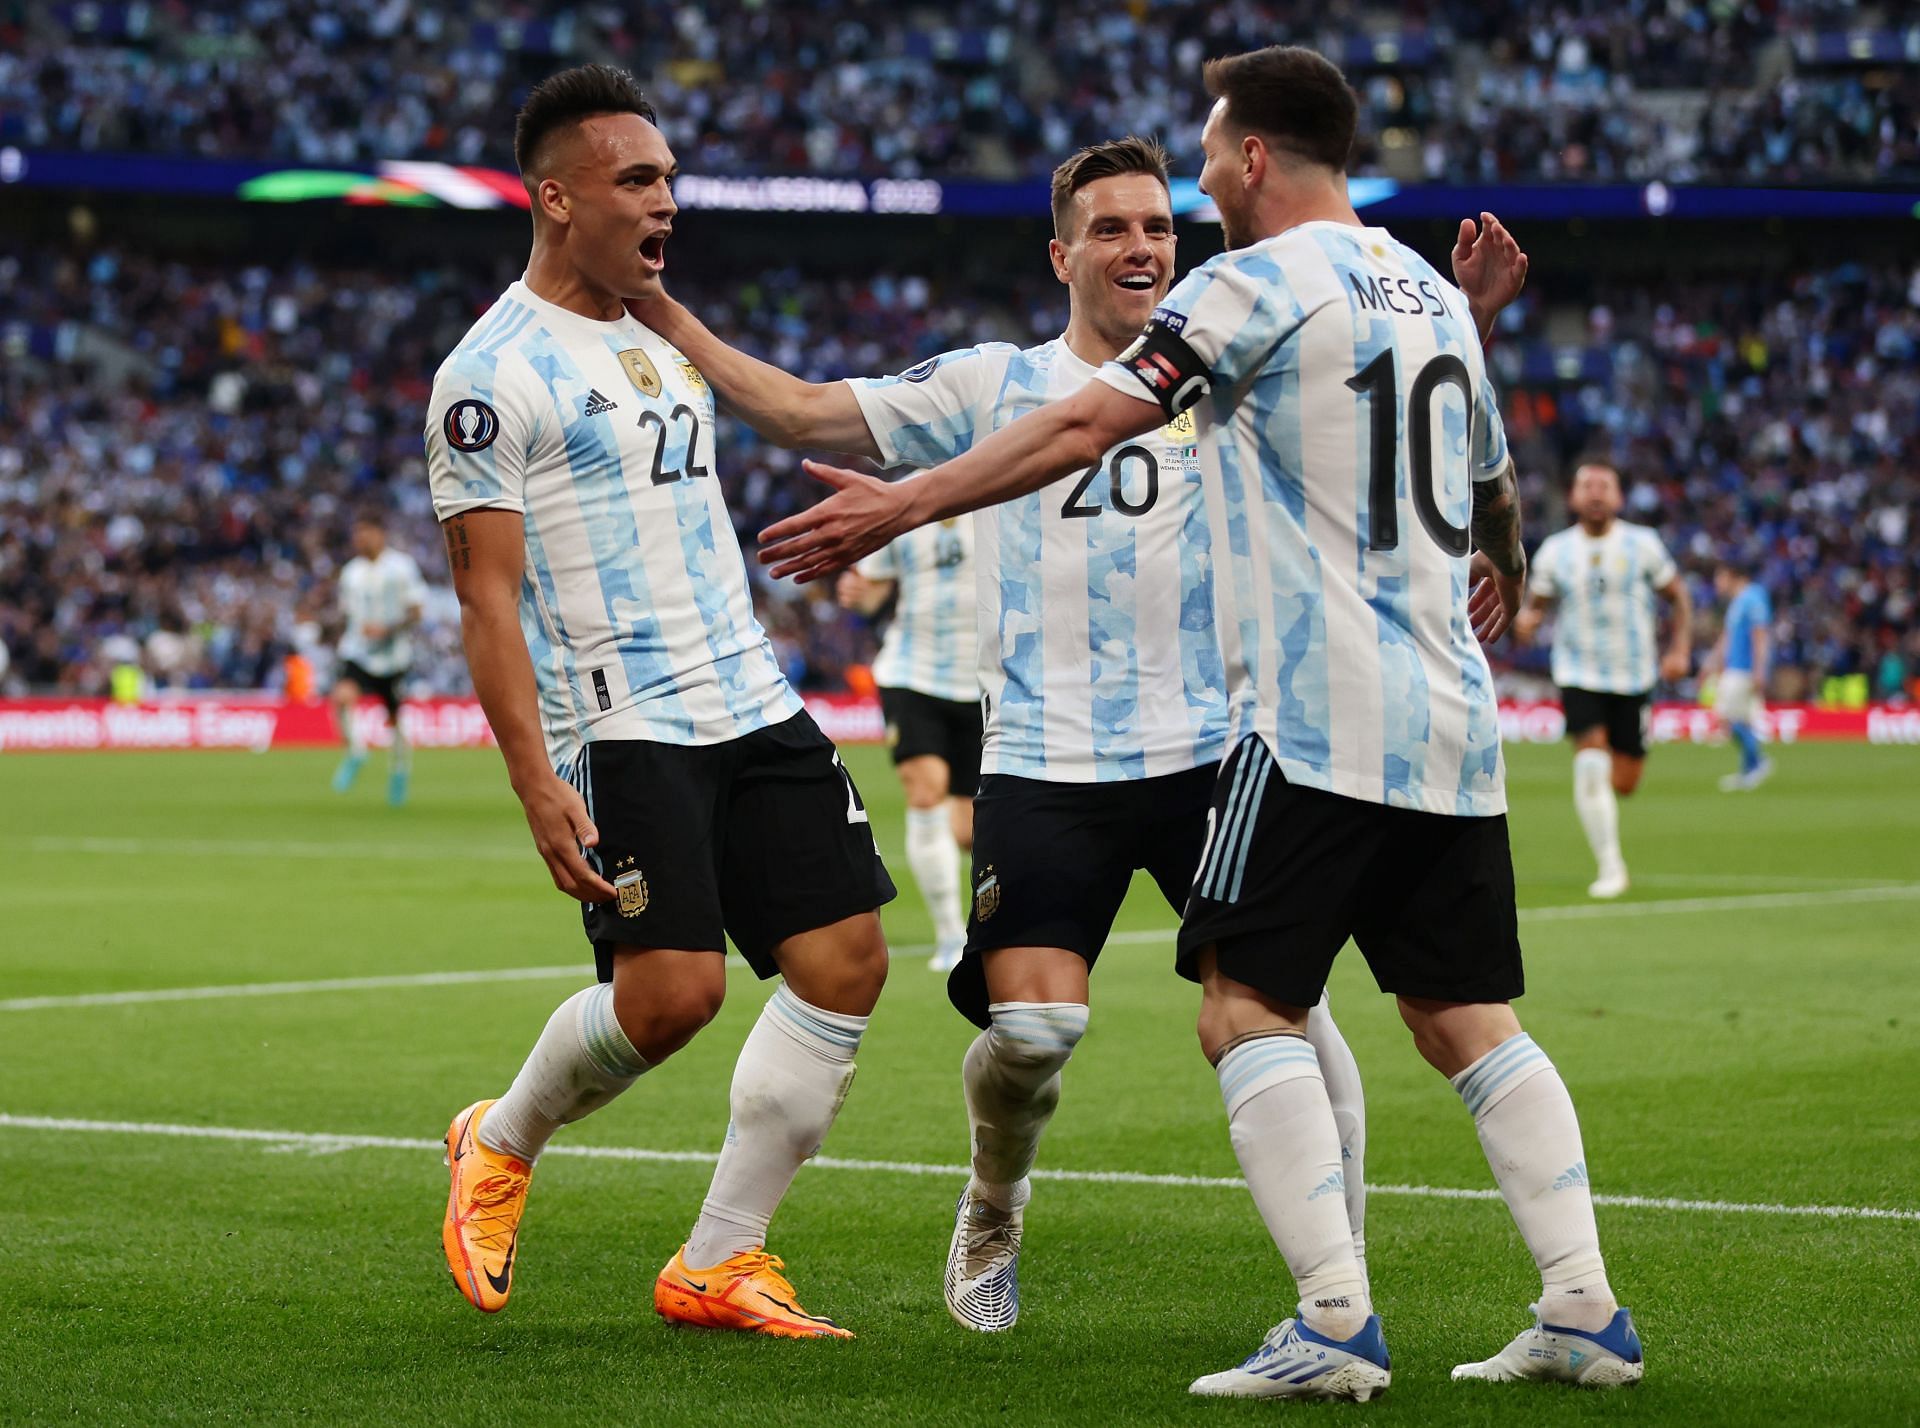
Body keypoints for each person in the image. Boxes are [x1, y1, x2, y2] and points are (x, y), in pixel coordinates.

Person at [759, 46, 1642, 1400]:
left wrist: (905, 501)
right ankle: (1584, 1308)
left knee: (1246, 1010)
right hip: (1453, 722)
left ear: (1244, 160)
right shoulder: (1425, 289)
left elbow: (1080, 430)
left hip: (1306, 726)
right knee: (1470, 1015)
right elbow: (1491, 489)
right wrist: (1509, 562)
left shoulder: (1246, 283)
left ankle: (1335, 1324)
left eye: (1204, 160)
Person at [643, 136, 1524, 1339]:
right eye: (1110, 229)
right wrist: (654, 307)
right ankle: (995, 1200)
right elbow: (801, 410)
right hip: (1051, 760)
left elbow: (1382, 410)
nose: (1142, 247)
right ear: (1062, 254)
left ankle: (1338, 1281)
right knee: (1035, 1031)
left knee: (1291, 1014)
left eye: (1158, 226)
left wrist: (1464, 325)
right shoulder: (995, 384)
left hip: (1224, 750)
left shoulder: (1238, 368)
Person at [424, 64, 894, 1339]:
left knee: (847, 963)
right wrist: (536, 781)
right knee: (672, 997)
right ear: (557, 195)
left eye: (671, 179)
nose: (666, 202)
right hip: (622, 719)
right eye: (640, 180)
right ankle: (499, 1138)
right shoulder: (491, 373)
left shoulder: (658, 333)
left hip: (750, 692)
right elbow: (486, 600)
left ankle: (721, 1260)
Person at [1513, 461, 1692, 897]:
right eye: (1586, 485)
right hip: (1579, 672)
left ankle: (1603, 805)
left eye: (1604, 486)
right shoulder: (1556, 551)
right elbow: (1536, 603)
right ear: (1573, 497)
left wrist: (1680, 649)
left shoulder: (1642, 544)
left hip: (1634, 674)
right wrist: (1528, 619)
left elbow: (1679, 598)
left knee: (1625, 782)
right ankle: (1612, 866)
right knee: (1590, 763)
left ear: (1618, 497)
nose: (1595, 493)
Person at [836, 523, 979, 973]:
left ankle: (984, 926)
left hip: (982, 679)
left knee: (969, 830)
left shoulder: (1001, 492)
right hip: (911, 674)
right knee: (924, 790)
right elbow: (874, 594)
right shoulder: (905, 503)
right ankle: (951, 936)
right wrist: (860, 594)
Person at [330, 512, 427, 806]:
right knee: (342, 697)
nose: (359, 539)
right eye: (356, 534)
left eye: (365, 532)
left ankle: (399, 772)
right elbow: (347, 613)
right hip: (357, 651)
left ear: (380, 534)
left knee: (395, 719)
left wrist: (387, 628)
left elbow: (416, 612)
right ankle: (357, 751)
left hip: (394, 656)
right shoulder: (350, 572)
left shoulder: (401, 567)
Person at [1708, 559, 1773, 791]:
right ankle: (1749, 768)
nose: (1717, 583)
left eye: (1720, 577)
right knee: (1740, 720)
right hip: (1734, 667)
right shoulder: (1737, 602)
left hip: (1744, 670)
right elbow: (1727, 637)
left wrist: (1759, 669)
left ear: (1732, 575)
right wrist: (1713, 662)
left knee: (1726, 718)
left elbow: (1760, 636)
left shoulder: (1753, 598)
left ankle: (1757, 762)